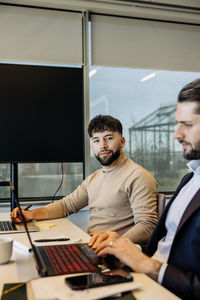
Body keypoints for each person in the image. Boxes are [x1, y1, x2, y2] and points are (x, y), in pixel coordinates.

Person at [92, 79, 200, 300]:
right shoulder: (190, 179)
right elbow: (165, 248)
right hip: (146, 280)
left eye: (187, 125)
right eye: (177, 124)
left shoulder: (138, 175)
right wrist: (127, 253)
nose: (176, 134)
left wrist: (146, 265)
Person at [11, 115, 158, 244]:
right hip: (91, 244)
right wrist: (31, 214)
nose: (103, 146)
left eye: (109, 138)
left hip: (115, 253)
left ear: (122, 141)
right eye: (96, 140)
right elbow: (66, 205)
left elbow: (147, 226)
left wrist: (114, 245)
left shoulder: (138, 176)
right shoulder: (94, 178)